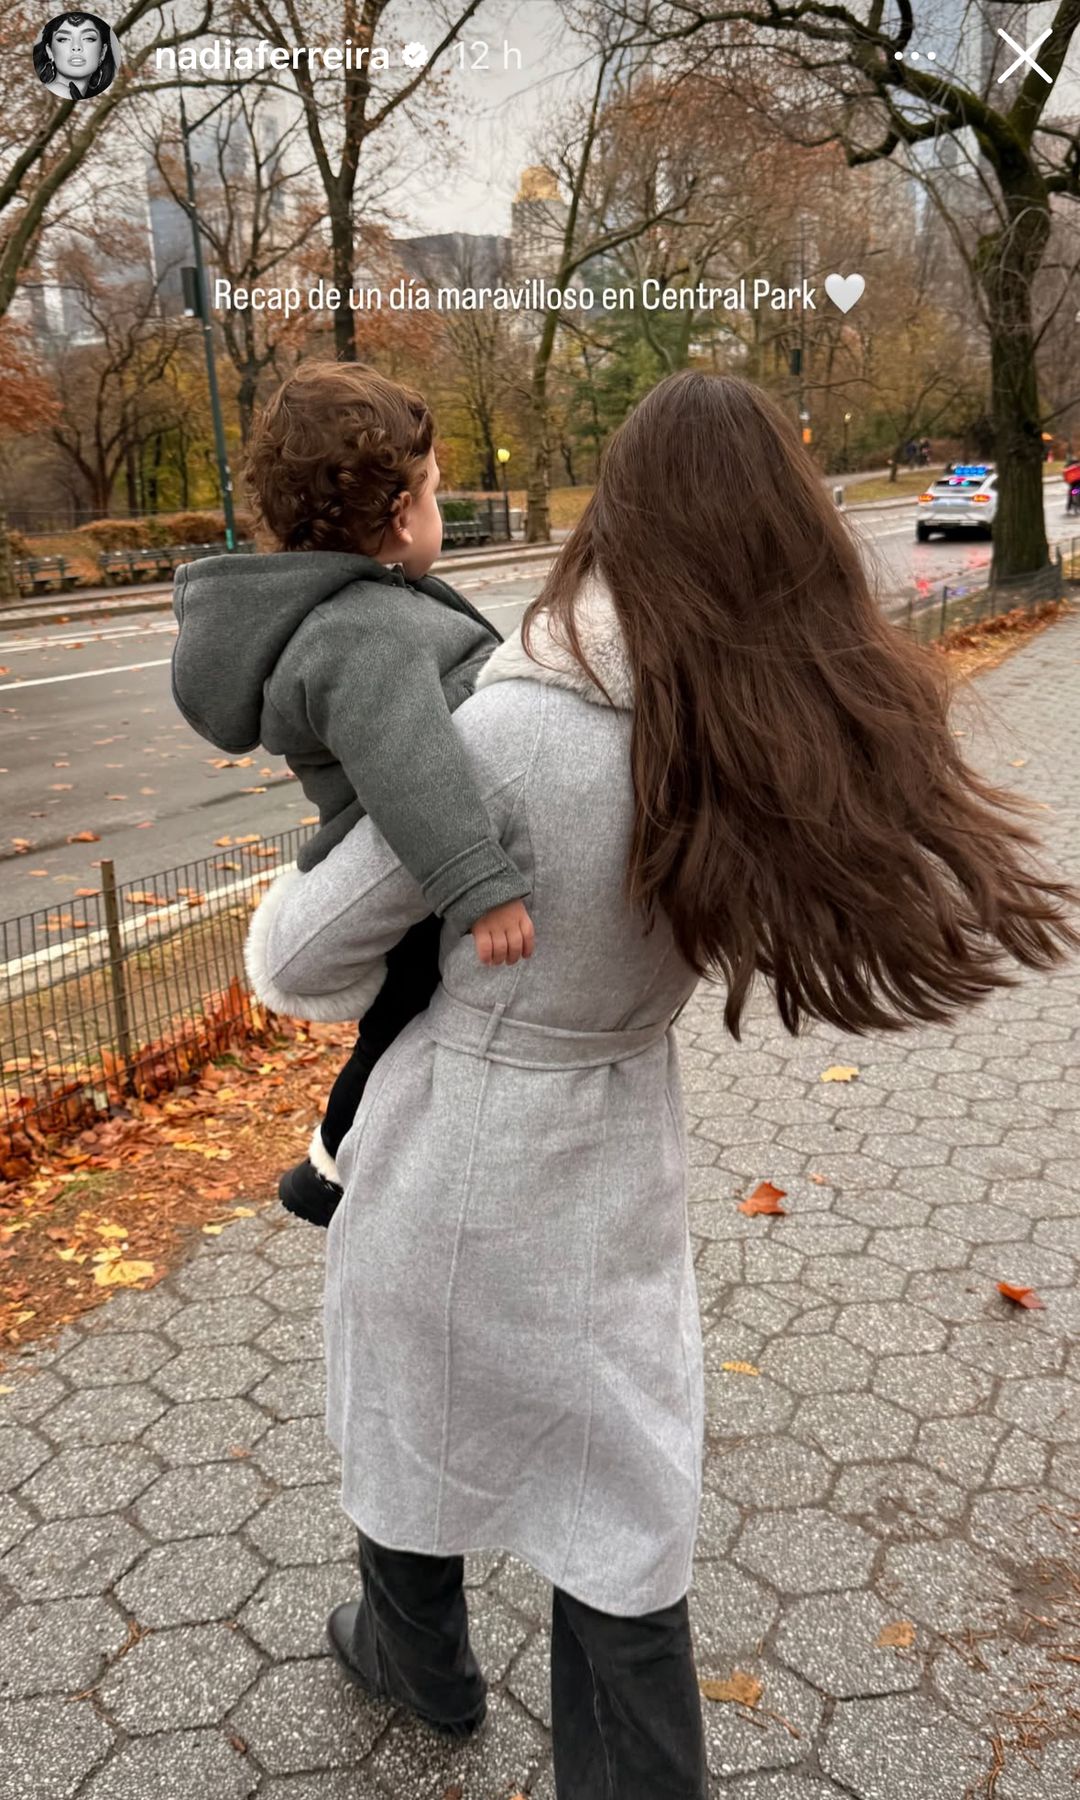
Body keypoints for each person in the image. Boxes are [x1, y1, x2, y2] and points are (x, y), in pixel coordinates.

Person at [244, 370, 1077, 1795]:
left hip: (454, 1135)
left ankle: (418, 1660)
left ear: (616, 518)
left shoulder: (511, 726)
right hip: (619, 1125)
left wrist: (311, 869)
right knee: (618, 1465)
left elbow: (298, 965)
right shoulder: (744, 733)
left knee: (406, 1388)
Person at [171, 363, 535, 1228]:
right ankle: (332, 1167)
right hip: (406, 865)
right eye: (437, 494)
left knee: (408, 1024)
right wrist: (481, 889)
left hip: (399, 851)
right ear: (404, 513)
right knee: (402, 1019)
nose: (439, 512)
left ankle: (353, 1157)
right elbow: (411, 764)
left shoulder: (360, 609)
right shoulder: (362, 630)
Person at [33, 11, 116, 98]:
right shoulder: (63, 92)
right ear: (49, 51)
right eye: (63, 39)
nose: (76, 47)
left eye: (88, 38)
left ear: (103, 52)